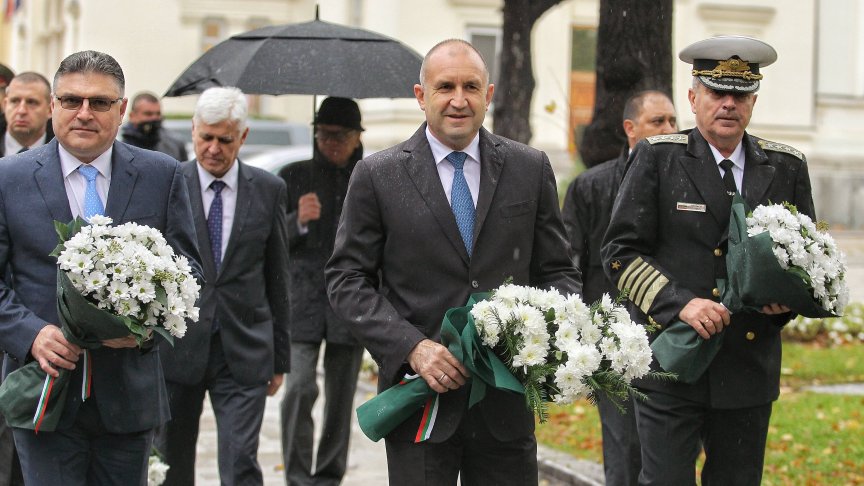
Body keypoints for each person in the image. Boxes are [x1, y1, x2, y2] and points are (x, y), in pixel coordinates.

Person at [325, 39, 581, 485]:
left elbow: (558, 271)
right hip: (421, 402)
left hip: (505, 404)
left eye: (471, 87)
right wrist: (412, 347)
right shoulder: (378, 175)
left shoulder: (529, 168)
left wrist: (544, 337)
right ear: (421, 95)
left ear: (489, 94)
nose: (459, 100)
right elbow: (346, 279)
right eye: (445, 87)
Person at [602, 36, 816, 485]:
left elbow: (805, 261)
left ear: (753, 101)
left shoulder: (786, 167)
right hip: (671, 360)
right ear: (693, 97)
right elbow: (620, 253)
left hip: (747, 365)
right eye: (717, 92)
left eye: (740, 95)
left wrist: (786, 302)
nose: (728, 104)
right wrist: (681, 303)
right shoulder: (658, 157)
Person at [0, 50, 201, 485]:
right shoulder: (8, 178)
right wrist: (31, 335)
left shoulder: (161, 174)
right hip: (44, 393)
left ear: (121, 110)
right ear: (53, 106)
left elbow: (189, 272)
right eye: (72, 100)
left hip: (129, 399)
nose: (84, 113)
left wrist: (145, 327)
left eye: (100, 102)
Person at [156, 86, 290, 486]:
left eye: (225, 140)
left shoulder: (268, 189)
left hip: (244, 348)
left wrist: (280, 358)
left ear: (243, 137)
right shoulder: (168, 183)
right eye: (206, 137)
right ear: (193, 130)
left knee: (240, 461)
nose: (213, 148)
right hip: (178, 347)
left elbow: (277, 276)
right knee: (171, 460)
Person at [562, 90, 676, 486]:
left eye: (672, 121)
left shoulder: (687, 185)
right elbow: (569, 263)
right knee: (624, 450)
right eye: (657, 121)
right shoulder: (590, 187)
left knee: (670, 456)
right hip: (614, 344)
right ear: (630, 128)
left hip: (673, 338)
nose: (668, 129)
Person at [278, 96, 365, 485]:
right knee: (298, 387)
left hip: (352, 301)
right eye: (324, 134)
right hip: (302, 301)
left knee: (341, 397)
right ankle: (297, 477)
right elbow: (269, 242)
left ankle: (329, 475)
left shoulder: (368, 178)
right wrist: (297, 220)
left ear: (357, 137)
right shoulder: (293, 175)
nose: (331, 143)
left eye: (340, 135)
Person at [121, 92, 187, 161]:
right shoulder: (119, 145)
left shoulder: (175, 144)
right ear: (132, 116)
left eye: (158, 114)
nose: (154, 118)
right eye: (148, 114)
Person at [1, 72, 54, 157]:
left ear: (50, 110)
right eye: (15, 101)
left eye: (31, 102)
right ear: (5, 105)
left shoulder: (65, 151)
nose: (21, 111)